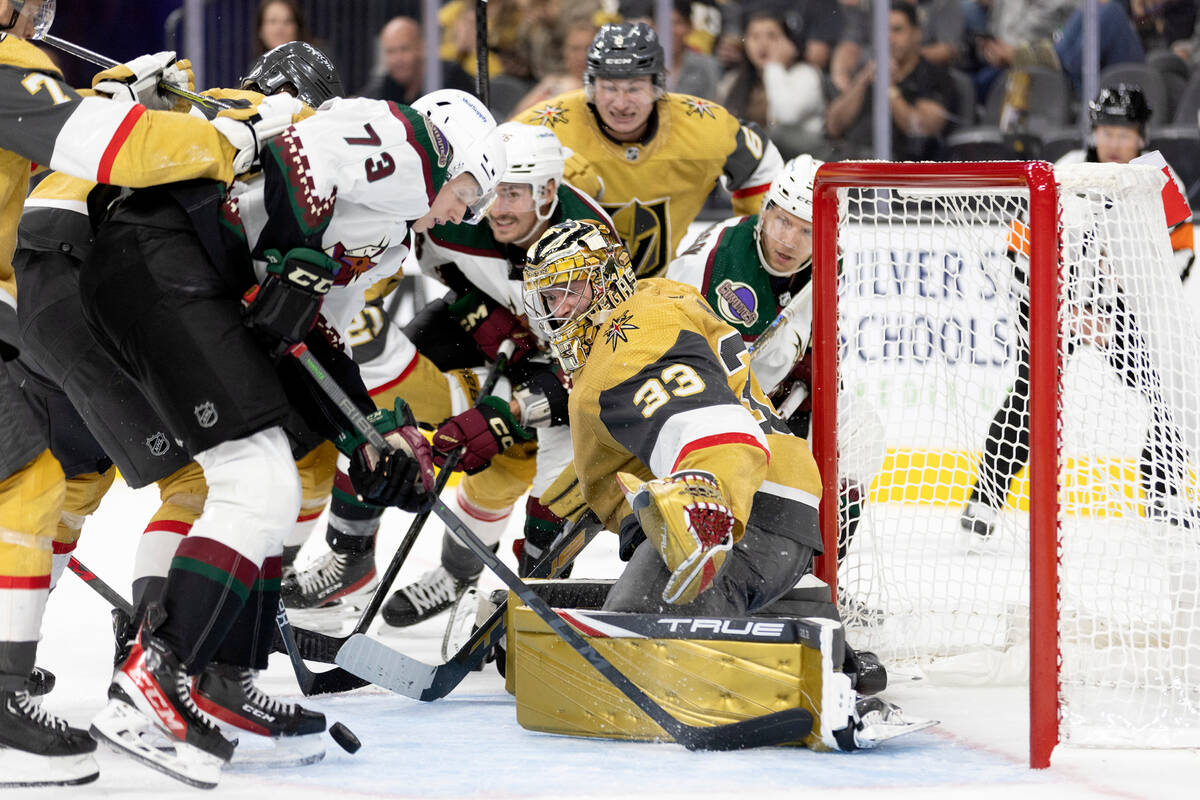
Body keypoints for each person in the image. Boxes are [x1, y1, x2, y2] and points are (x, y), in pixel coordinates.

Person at [78, 88, 502, 787]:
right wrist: (294, 256)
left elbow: (315, 330)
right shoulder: (411, 143)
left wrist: (370, 436)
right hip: (163, 256)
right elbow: (296, 154)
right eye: (473, 195)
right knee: (260, 477)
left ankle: (219, 674)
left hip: (180, 277)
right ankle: (152, 678)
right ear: (462, 153)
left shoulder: (389, 236)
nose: (464, 214)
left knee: (275, 475)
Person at [10, 45, 346, 761]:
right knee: (212, 479)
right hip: (83, 293)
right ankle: (160, 668)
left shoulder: (175, 106)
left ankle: (46, 668)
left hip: (43, 296)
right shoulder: (240, 128)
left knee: (60, 486)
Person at [283, 122, 614, 628]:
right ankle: (351, 554)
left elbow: (602, 366)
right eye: (492, 190)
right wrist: (473, 305)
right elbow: (423, 266)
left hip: (565, 365)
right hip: (480, 330)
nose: (496, 207)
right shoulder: (455, 214)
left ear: (548, 192)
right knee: (386, 412)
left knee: (536, 475)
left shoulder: (591, 247)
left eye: (514, 194)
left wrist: (508, 415)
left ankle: (523, 597)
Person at [522, 218, 823, 616]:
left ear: (609, 279)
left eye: (571, 290)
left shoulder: (624, 342)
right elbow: (643, 442)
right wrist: (553, 519)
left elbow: (716, 428)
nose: (558, 310)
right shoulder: (659, 299)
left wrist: (703, 509)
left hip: (741, 512)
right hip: (776, 506)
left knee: (628, 644)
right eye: (549, 297)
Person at [961, 84, 1196, 540]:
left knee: (1171, 384)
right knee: (1030, 396)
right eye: (1106, 130)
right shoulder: (1063, 175)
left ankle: (1163, 492)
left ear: (1142, 136)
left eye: (1123, 132)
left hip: (1129, 313)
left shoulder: (1158, 181)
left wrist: (1131, 295)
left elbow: (1181, 257)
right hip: (1057, 306)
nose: (1113, 142)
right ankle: (985, 499)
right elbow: (1019, 256)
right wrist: (1058, 308)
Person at [516, 21, 783, 279]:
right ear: (591, 87)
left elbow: (763, 165)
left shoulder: (701, 126)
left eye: (634, 88)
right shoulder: (546, 127)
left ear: (657, 87)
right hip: (563, 293)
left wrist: (754, 247)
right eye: (609, 87)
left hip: (660, 296)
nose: (621, 103)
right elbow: (494, 174)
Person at [824, 1, 957, 161]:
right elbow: (833, 125)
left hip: (900, 168)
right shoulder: (867, 73)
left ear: (916, 33)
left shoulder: (934, 75)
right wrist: (861, 81)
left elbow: (921, 130)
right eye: (884, 30)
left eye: (897, 30)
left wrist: (889, 88)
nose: (889, 38)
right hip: (849, 159)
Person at [717, 3, 828, 160]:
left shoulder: (806, 74)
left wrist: (774, 66)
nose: (763, 44)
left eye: (772, 36)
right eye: (754, 37)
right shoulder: (733, 81)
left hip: (803, 166)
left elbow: (787, 116)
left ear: (789, 42)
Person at [356, 16, 473, 106]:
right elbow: (359, 105)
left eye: (404, 49)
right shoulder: (385, 85)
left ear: (421, 47)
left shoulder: (449, 77)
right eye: (390, 51)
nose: (398, 59)